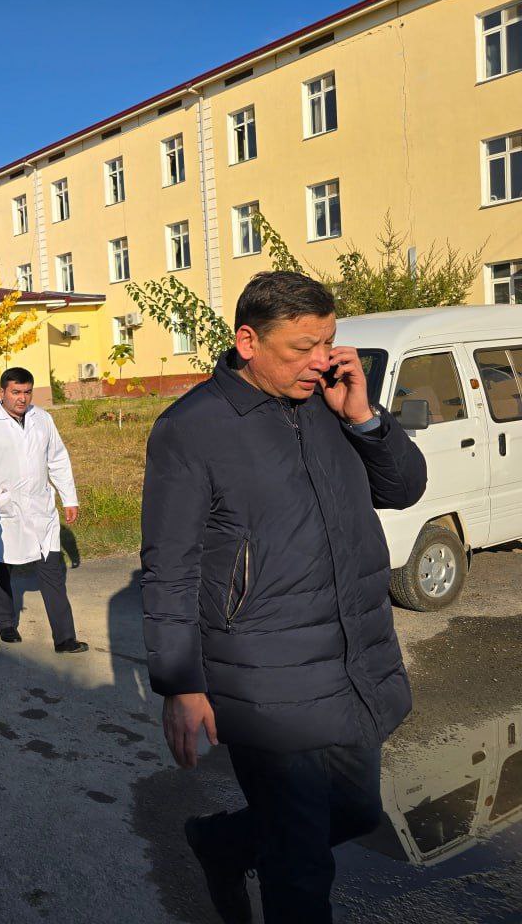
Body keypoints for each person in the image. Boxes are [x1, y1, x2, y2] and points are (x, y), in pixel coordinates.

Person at [140, 272, 427, 924]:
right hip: (263, 677)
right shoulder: (191, 429)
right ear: (248, 341)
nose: (321, 360)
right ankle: (248, 853)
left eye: (328, 342)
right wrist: (181, 683)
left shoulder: (330, 402)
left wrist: (364, 418)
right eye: (302, 347)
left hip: (351, 659)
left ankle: (221, 844)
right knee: (300, 870)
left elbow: (404, 489)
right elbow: (170, 567)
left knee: (355, 812)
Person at [0, 367, 87, 653]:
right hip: (3, 510)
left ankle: (64, 638)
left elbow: (57, 459)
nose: (22, 398)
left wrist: (69, 498)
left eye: (27, 392)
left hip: (40, 508)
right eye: (16, 392)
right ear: (2, 393)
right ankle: (5, 623)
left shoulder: (42, 419)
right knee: (1, 567)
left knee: (52, 570)